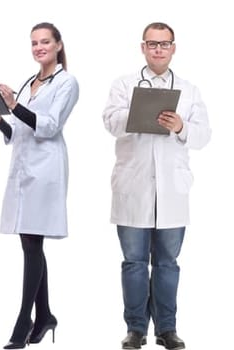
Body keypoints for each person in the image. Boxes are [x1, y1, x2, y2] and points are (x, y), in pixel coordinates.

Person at [101, 22, 207, 350]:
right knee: (133, 263)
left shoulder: (189, 90)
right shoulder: (124, 85)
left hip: (173, 191)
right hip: (133, 188)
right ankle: (135, 330)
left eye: (164, 44)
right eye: (152, 44)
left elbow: (204, 136)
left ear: (173, 47)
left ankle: (167, 329)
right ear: (143, 48)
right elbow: (109, 121)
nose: (158, 49)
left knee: (167, 264)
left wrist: (181, 126)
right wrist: (137, 112)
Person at [0, 22, 79, 350]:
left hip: (47, 169)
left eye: (45, 42)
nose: (39, 47)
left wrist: (13, 106)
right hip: (24, 169)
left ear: (58, 45)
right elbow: (16, 131)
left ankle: (24, 322)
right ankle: (46, 315)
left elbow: (50, 126)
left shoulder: (67, 82)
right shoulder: (29, 81)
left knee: (33, 243)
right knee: (31, 243)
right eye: (34, 43)